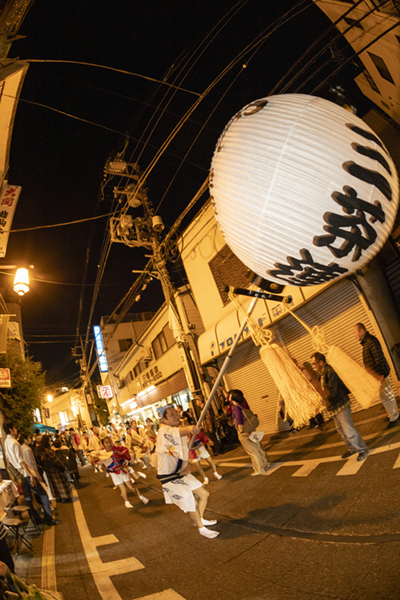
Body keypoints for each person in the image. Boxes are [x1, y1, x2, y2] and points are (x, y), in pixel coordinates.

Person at [156, 405, 219, 539]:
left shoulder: (178, 432)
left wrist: (187, 465)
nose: (175, 416)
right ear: (164, 420)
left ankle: (200, 520)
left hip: (182, 473)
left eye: (176, 413)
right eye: (171, 414)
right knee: (192, 503)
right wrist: (190, 428)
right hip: (169, 476)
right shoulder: (164, 430)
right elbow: (181, 432)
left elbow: (182, 453)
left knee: (204, 494)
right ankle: (201, 529)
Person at [310, 352, 369, 461]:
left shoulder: (330, 371)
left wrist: (324, 399)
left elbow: (333, 390)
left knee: (348, 430)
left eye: (314, 364)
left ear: (321, 362)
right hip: (333, 406)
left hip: (340, 403)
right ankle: (351, 448)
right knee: (341, 430)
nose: (312, 366)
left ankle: (362, 449)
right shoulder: (322, 374)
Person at [3, 424, 59, 526]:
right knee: (43, 495)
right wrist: (31, 475)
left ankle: (36, 518)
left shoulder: (6, 442)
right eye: (15, 428)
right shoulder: (14, 443)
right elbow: (21, 461)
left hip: (20, 475)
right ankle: (48, 519)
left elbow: (9, 460)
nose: (16, 430)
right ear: (11, 429)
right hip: (26, 473)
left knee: (28, 497)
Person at [354, 323, 399, 427]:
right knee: (384, 396)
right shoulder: (367, 342)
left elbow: (378, 359)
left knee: (388, 395)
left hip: (380, 375)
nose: (354, 335)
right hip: (377, 376)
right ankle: (392, 414)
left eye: (355, 332)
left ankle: (395, 416)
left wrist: (380, 376)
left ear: (361, 331)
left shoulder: (370, 341)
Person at [230, 390, 270, 476]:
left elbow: (239, 421)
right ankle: (265, 463)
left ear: (233, 397)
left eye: (230, 395)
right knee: (258, 448)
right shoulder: (242, 402)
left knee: (252, 451)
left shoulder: (236, 408)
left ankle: (259, 469)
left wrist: (242, 432)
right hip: (251, 428)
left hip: (244, 430)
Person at [101, 436, 149, 508]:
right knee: (123, 488)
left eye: (110, 442)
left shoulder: (117, 448)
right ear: (103, 444)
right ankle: (126, 502)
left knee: (131, 486)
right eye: (106, 443)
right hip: (114, 473)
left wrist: (121, 453)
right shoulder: (102, 453)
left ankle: (141, 496)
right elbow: (96, 460)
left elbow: (126, 450)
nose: (109, 444)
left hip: (123, 470)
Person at [38, 435, 73, 502]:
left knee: (54, 485)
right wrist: (62, 467)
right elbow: (56, 461)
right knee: (61, 484)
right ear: (47, 442)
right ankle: (65, 497)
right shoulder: (49, 451)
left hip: (48, 471)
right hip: (55, 470)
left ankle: (58, 497)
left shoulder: (42, 452)